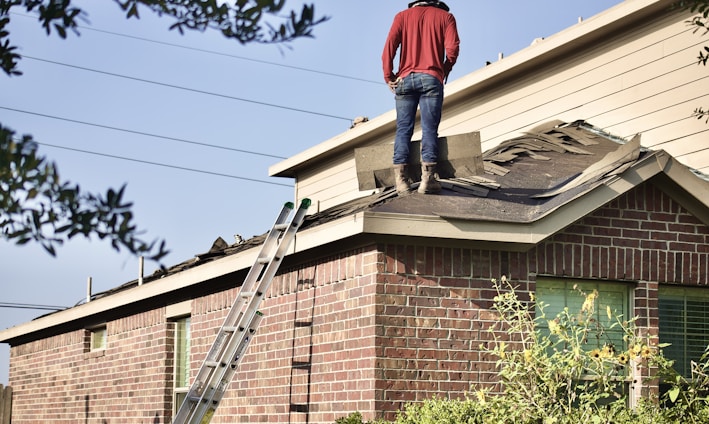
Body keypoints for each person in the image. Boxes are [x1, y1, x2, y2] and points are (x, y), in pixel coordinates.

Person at [382, 0, 460, 194]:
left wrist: (388, 76)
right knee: (429, 128)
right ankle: (428, 179)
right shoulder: (446, 17)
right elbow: (452, 49)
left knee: (403, 129)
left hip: (405, 79)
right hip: (431, 78)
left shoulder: (402, 17)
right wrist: (443, 70)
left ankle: (401, 181)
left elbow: (389, 48)